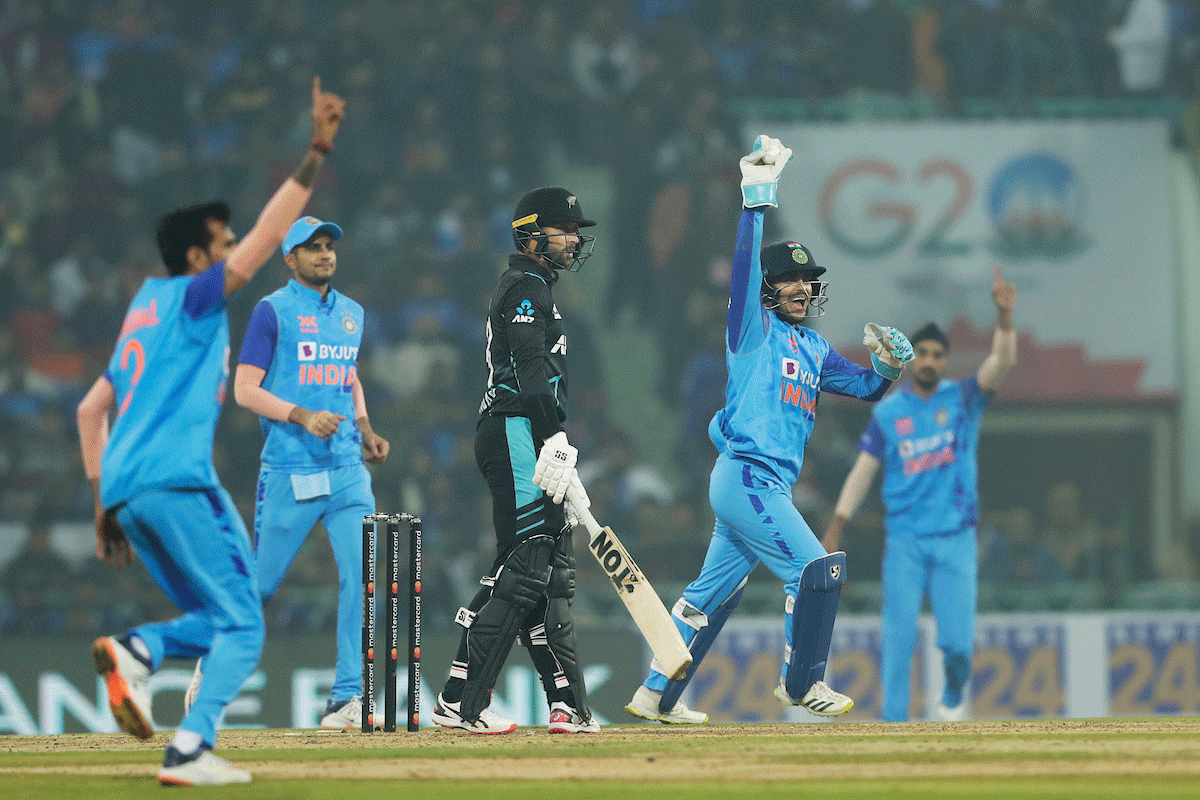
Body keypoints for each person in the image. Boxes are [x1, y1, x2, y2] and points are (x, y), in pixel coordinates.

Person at [75, 78, 345, 785]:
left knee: (209, 612)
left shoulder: (144, 308)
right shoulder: (197, 299)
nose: (233, 252)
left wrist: (104, 507)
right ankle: (190, 746)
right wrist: (316, 152)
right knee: (244, 620)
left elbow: (88, 411)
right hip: (177, 480)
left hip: (130, 489)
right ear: (199, 258)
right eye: (220, 245)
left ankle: (139, 653)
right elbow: (265, 236)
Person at [626, 136, 915, 724]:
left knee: (707, 600)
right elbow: (743, 262)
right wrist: (757, 193)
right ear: (766, 289)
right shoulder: (750, 330)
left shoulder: (812, 346)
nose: (805, 288)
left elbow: (864, 389)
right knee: (818, 571)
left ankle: (656, 693)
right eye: (793, 281)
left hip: (763, 487)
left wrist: (888, 367)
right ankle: (803, 683)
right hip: (749, 479)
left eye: (810, 281)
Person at [181, 216, 390, 730]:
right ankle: (212, 663)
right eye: (311, 247)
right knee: (260, 587)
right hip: (291, 470)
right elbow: (245, 389)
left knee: (363, 580)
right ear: (289, 259)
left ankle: (346, 699)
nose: (324, 254)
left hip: (346, 471)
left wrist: (363, 426)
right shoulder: (271, 311)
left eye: (328, 246)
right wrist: (301, 415)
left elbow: (347, 375)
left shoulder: (352, 314)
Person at [430, 186, 600, 734]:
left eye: (576, 231)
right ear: (531, 235)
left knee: (544, 572)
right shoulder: (525, 288)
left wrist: (553, 439)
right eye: (563, 230)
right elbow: (529, 369)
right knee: (527, 565)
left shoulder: (536, 287)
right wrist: (552, 438)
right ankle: (461, 701)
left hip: (526, 432)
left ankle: (565, 703)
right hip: (516, 431)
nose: (574, 240)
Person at [822, 267, 1017, 722]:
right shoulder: (890, 413)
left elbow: (1002, 363)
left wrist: (1004, 317)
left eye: (936, 354)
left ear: (946, 361)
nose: (928, 360)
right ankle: (893, 723)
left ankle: (953, 687)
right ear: (913, 360)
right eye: (922, 353)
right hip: (905, 540)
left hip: (955, 539)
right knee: (898, 637)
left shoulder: (964, 400)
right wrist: (836, 527)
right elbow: (861, 474)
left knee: (957, 645)